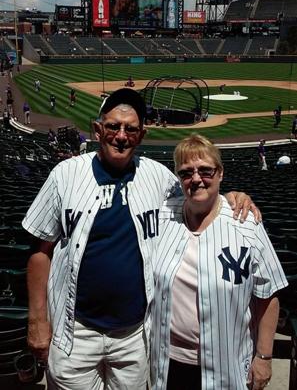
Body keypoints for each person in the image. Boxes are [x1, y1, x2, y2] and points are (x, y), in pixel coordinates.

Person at [22, 89, 260, 390]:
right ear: (98, 130)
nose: (121, 136)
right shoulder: (64, 175)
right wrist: (37, 321)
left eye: (130, 129)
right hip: (74, 333)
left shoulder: (158, 178)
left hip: (135, 337)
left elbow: (198, 193)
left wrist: (230, 197)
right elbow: (40, 251)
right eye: (113, 126)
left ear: (141, 134)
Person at [151, 134, 288, 390]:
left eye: (205, 170)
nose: (196, 179)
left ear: (221, 174)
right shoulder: (161, 218)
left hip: (228, 365)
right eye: (185, 173)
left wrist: (264, 356)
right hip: (167, 362)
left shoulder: (246, 223)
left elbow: (268, 295)